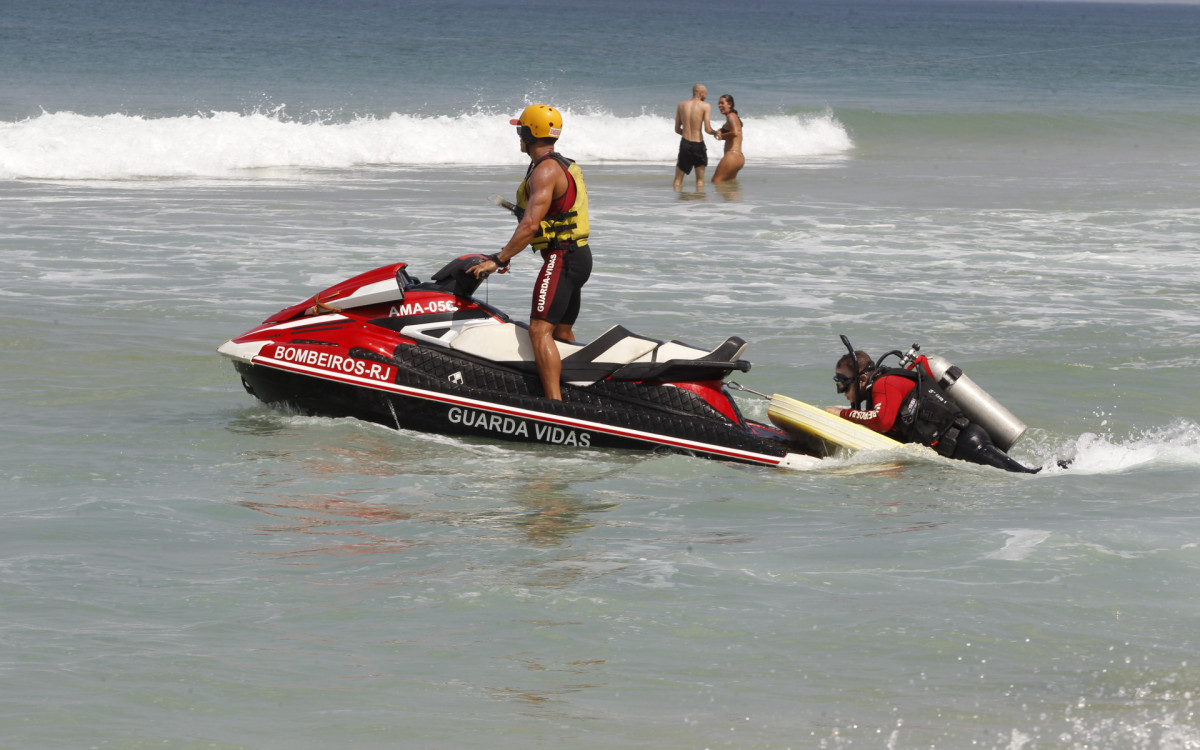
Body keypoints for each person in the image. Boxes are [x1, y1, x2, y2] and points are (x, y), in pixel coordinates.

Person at [468, 104, 592, 402]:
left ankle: (554, 407)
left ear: (530, 132)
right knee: (562, 333)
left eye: (520, 129)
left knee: (539, 331)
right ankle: (579, 394)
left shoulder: (545, 171)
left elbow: (530, 225)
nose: (518, 135)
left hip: (562, 258)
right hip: (579, 256)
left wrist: (498, 260)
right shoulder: (558, 164)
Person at [826, 349, 1040, 473]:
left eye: (843, 384)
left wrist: (842, 413)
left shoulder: (885, 384)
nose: (841, 391)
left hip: (967, 443)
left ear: (862, 379)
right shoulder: (883, 389)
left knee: (1024, 476)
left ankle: (1059, 471)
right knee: (1019, 474)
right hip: (961, 444)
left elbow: (881, 420)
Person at [673, 84, 717, 190]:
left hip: (685, 144)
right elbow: (707, 129)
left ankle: (676, 204)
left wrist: (687, 134)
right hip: (698, 144)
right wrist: (716, 133)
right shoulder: (705, 106)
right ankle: (699, 204)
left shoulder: (681, 105)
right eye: (705, 94)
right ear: (701, 93)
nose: (705, 96)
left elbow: (677, 129)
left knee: (678, 180)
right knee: (700, 181)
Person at [711, 94, 744, 184]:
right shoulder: (733, 117)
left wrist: (722, 136)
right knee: (729, 185)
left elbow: (735, 133)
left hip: (732, 156)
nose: (719, 105)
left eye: (722, 103)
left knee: (715, 182)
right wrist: (720, 131)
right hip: (739, 157)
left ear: (730, 104)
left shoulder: (731, 116)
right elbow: (733, 131)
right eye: (719, 103)